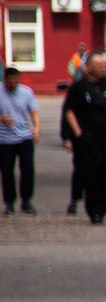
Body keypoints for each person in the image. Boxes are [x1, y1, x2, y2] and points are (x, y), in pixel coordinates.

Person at [60, 52, 106, 224]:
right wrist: (77, 133)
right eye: (100, 66)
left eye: (104, 65)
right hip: (90, 139)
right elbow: (69, 111)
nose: (104, 68)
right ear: (89, 69)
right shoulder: (79, 87)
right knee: (93, 175)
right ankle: (96, 211)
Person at [0, 64, 37, 214]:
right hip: (4, 140)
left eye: (16, 81)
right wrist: (1, 119)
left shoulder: (26, 92)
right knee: (7, 171)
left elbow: (34, 111)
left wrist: (37, 128)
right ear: (5, 80)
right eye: (10, 81)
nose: (13, 84)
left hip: (24, 137)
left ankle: (26, 200)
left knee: (28, 168)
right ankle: (9, 202)